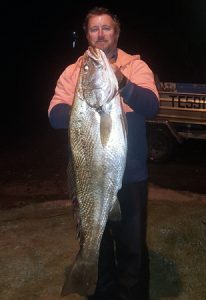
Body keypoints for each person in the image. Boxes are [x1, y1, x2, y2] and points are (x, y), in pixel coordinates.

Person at [48, 6, 159, 300]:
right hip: (88, 176)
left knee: (131, 247)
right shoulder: (75, 71)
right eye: (94, 29)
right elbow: (55, 114)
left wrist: (122, 83)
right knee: (97, 245)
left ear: (116, 33)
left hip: (131, 175)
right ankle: (97, 289)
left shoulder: (136, 67)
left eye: (106, 28)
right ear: (87, 34)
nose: (100, 35)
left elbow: (151, 106)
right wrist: (84, 109)